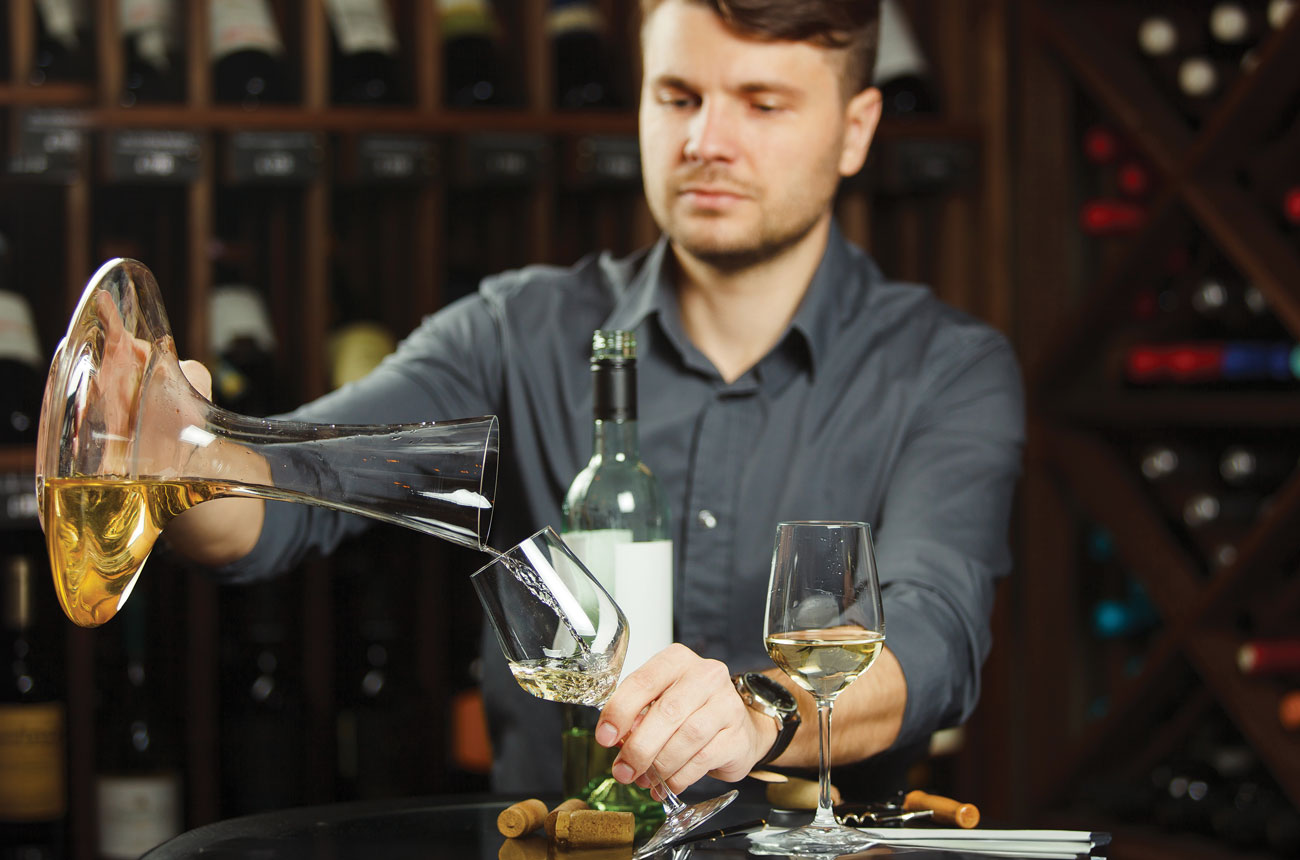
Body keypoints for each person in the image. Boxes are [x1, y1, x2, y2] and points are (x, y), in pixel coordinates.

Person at [167, 0, 1024, 800]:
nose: (707, 140)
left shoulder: (946, 369)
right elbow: (285, 497)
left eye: (763, 104)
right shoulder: (513, 334)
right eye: (678, 95)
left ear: (856, 130)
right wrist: (182, 454)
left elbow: (933, 635)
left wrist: (761, 707)